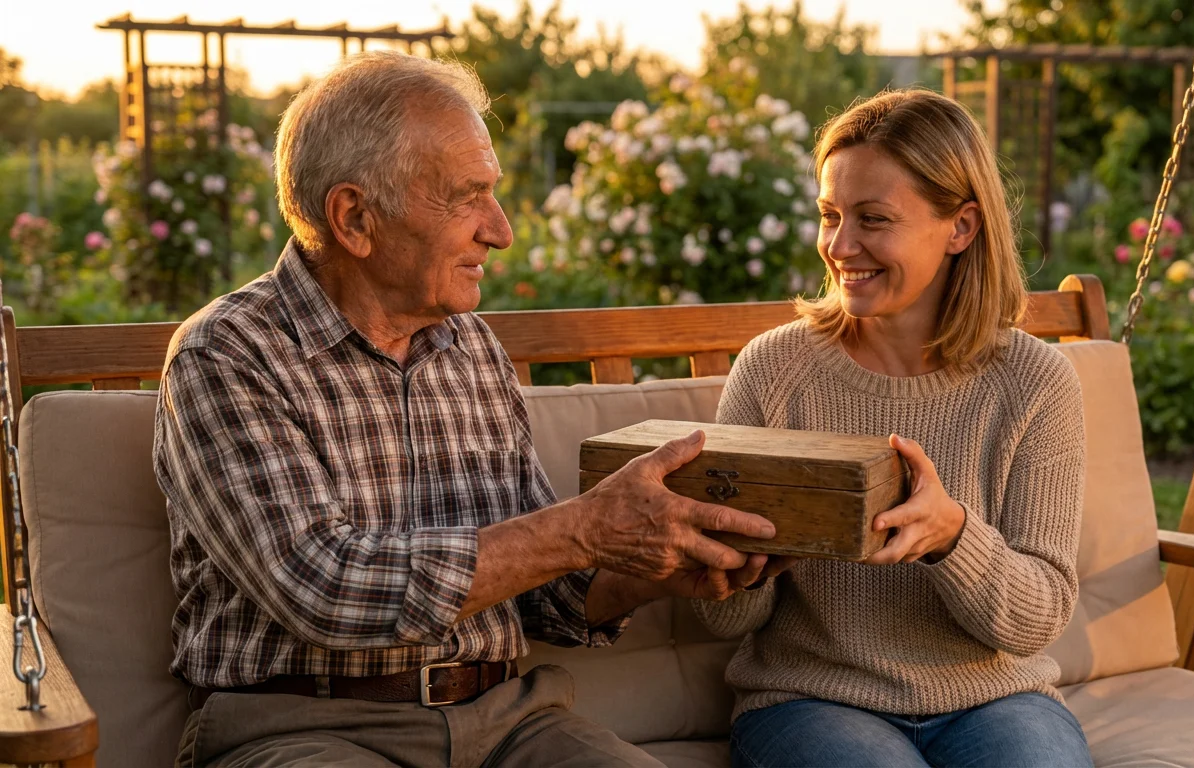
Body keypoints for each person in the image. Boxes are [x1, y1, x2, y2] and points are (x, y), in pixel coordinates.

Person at [155, 51, 781, 768]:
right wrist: (581, 530)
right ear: (355, 217)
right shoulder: (229, 354)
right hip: (305, 728)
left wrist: (658, 561)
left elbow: (548, 595)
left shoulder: (471, 348)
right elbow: (321, 586)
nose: (502, 229)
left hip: (505, 723)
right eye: (467, 196)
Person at [696, 89, 1092, 768]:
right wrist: (747, 565)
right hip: (812, 701)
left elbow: (1037, 620)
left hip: (995, 700)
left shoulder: (1034, 383)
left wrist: (952, 537)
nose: (840, 246)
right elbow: (721, 618)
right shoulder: (774, 371)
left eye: (873, 219)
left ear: (961, 227)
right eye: (830, 215)